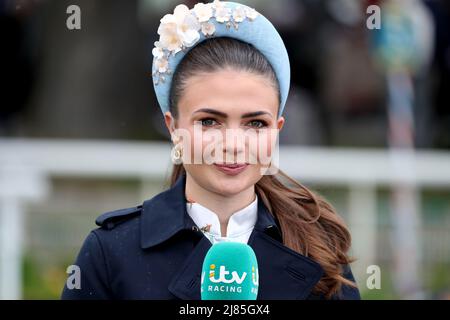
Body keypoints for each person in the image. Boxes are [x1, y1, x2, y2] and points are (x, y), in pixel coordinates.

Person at [61, 0, 360, 300]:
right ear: (173, 126)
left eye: (255, 123)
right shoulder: (112, 252)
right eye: (209, 121)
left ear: (277, 129)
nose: (232, 144)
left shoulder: (321, 251)